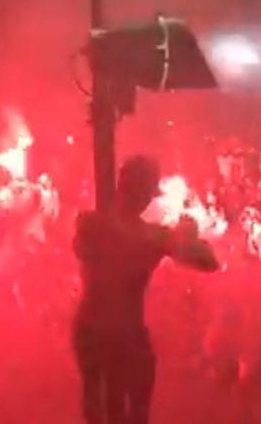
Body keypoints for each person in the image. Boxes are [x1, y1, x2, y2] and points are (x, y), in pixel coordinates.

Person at [73, 155, 219, 424]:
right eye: (145, 190)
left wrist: (182, 238)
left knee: (129, 405)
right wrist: (175, 239)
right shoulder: (98, 225)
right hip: (100, 329)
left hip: (119, 330)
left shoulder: (141, 233)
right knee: (101, 408)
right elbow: (86, 245)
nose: (147, 199)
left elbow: (209, 262)